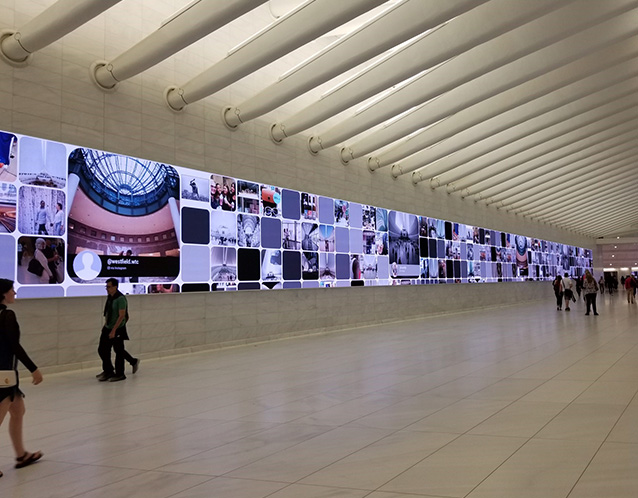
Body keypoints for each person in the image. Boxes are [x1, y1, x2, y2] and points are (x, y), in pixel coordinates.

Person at [0, 279, 44, 478]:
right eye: (12, 290)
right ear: (3, 294)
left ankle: (21, 455)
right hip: (4, 375)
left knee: (18, 410)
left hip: (6, 374)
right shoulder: (7, 315)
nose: (15, 293)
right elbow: (14, 346)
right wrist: (34, 369)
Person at [96, 278, 139, 382]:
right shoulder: (110, 297)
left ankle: (120, 373)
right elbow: (108, 313)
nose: (107, 289)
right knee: (102, 349)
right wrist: (106, 325)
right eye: (106, 287)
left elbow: (122, 316)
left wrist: (114, 330)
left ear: (115, 287)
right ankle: (108, 370)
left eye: (109, 287)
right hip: (108, 327)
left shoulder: (120, 299)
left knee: (118, 351)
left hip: (118, 328)